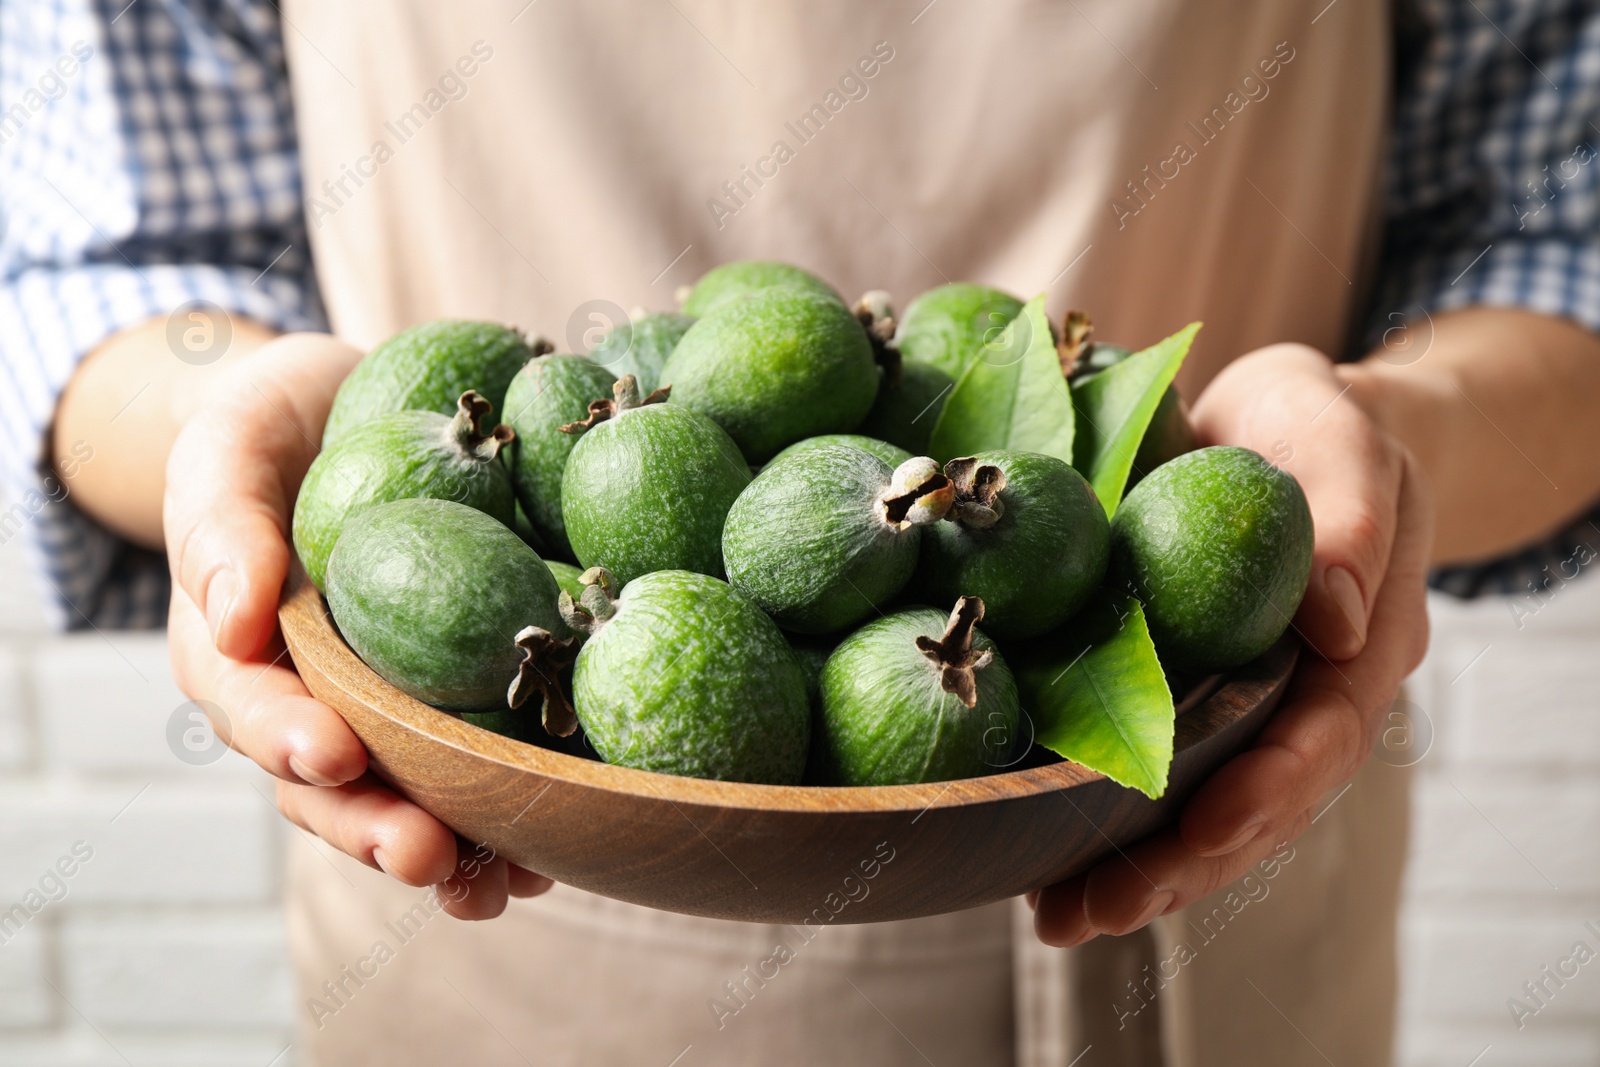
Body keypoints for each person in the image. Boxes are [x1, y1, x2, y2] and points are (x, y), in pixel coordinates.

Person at [5, 1, 1600, 1063]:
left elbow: (1554, 229)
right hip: (501, 890)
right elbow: (120, 261)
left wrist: (1396, 441)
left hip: (1198, 846)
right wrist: (232, 427)